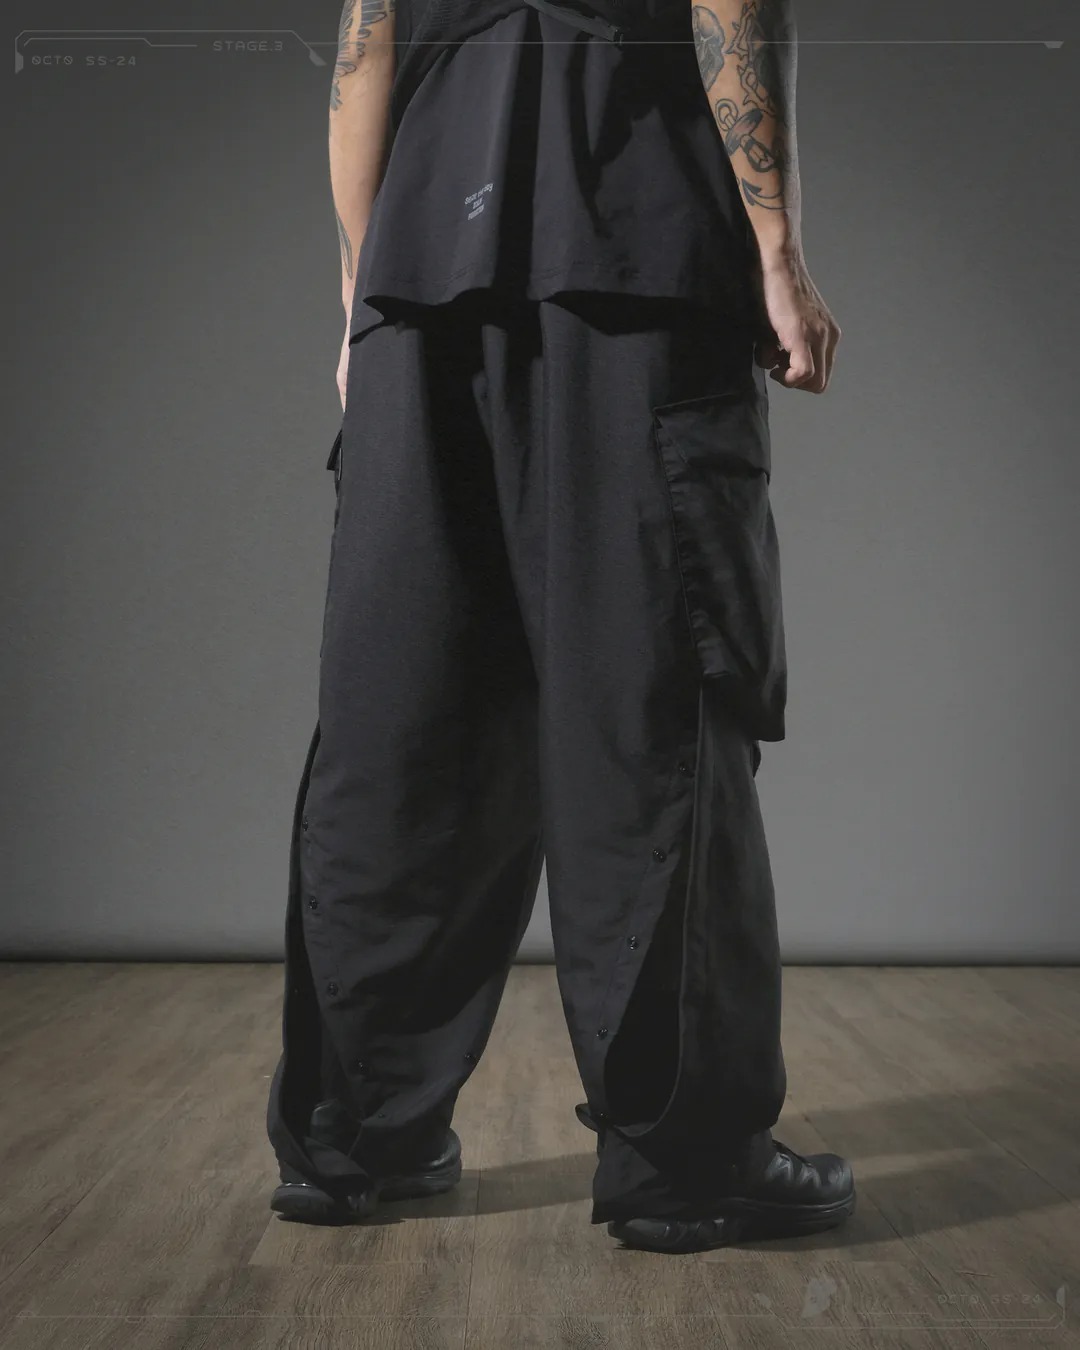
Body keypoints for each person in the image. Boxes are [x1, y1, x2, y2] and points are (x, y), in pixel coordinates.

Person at [265, 0, 854, 1255]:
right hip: (636, 246)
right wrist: (775, 246)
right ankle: (686, 1160)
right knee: (652, 705)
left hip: (422, 266)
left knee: (403, 718)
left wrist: (364, 291)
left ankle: (354, 1137)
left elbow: (367, 38)